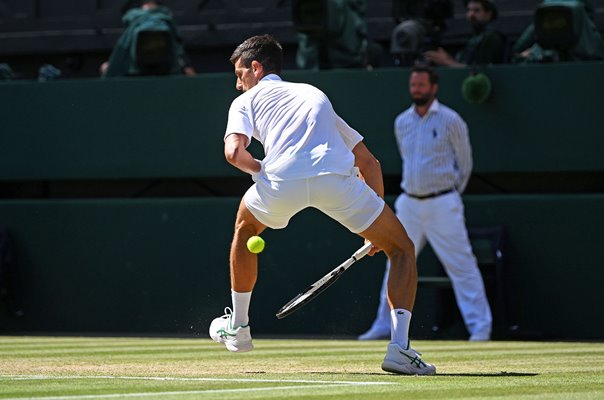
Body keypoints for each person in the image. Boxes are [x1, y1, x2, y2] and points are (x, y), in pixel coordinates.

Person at [208, 34, 435, 375]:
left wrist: (261, 170)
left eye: (240, 74)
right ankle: (400, 349)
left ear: (256, 68)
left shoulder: (246, 102)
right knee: (401, 249)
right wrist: (373, 229)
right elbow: (369, 164)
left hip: (280, 181)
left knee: (245, 229)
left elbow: (233, 154)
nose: (238, 84)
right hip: (336, 180)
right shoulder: (314, 95)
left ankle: (239, 328)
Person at [358, 64, 492, 342]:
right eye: (413, 85)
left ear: (434, 87)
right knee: (394, 261)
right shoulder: (401, 121)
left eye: (421, 85)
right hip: (409, 205)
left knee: (462, 265)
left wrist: (449, 194)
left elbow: (464, 164)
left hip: (443, 203)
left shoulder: (451, 120)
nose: (416, 89)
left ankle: (480, 328)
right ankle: (385, 325)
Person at [101, 0, 196, 77]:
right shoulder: (166, 18)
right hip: (166, 73)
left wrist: (110, 69)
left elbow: (122, 49)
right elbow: (178, 47)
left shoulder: (132, 19)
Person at [423, 0, 505, 67]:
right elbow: (465, 64)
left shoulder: (491, 37)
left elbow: (479, 72)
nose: (471, 14)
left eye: (476, 10)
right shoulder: (475, 37)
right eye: (469, 10)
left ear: (488, 14)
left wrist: (447, 62)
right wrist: (448, 59)